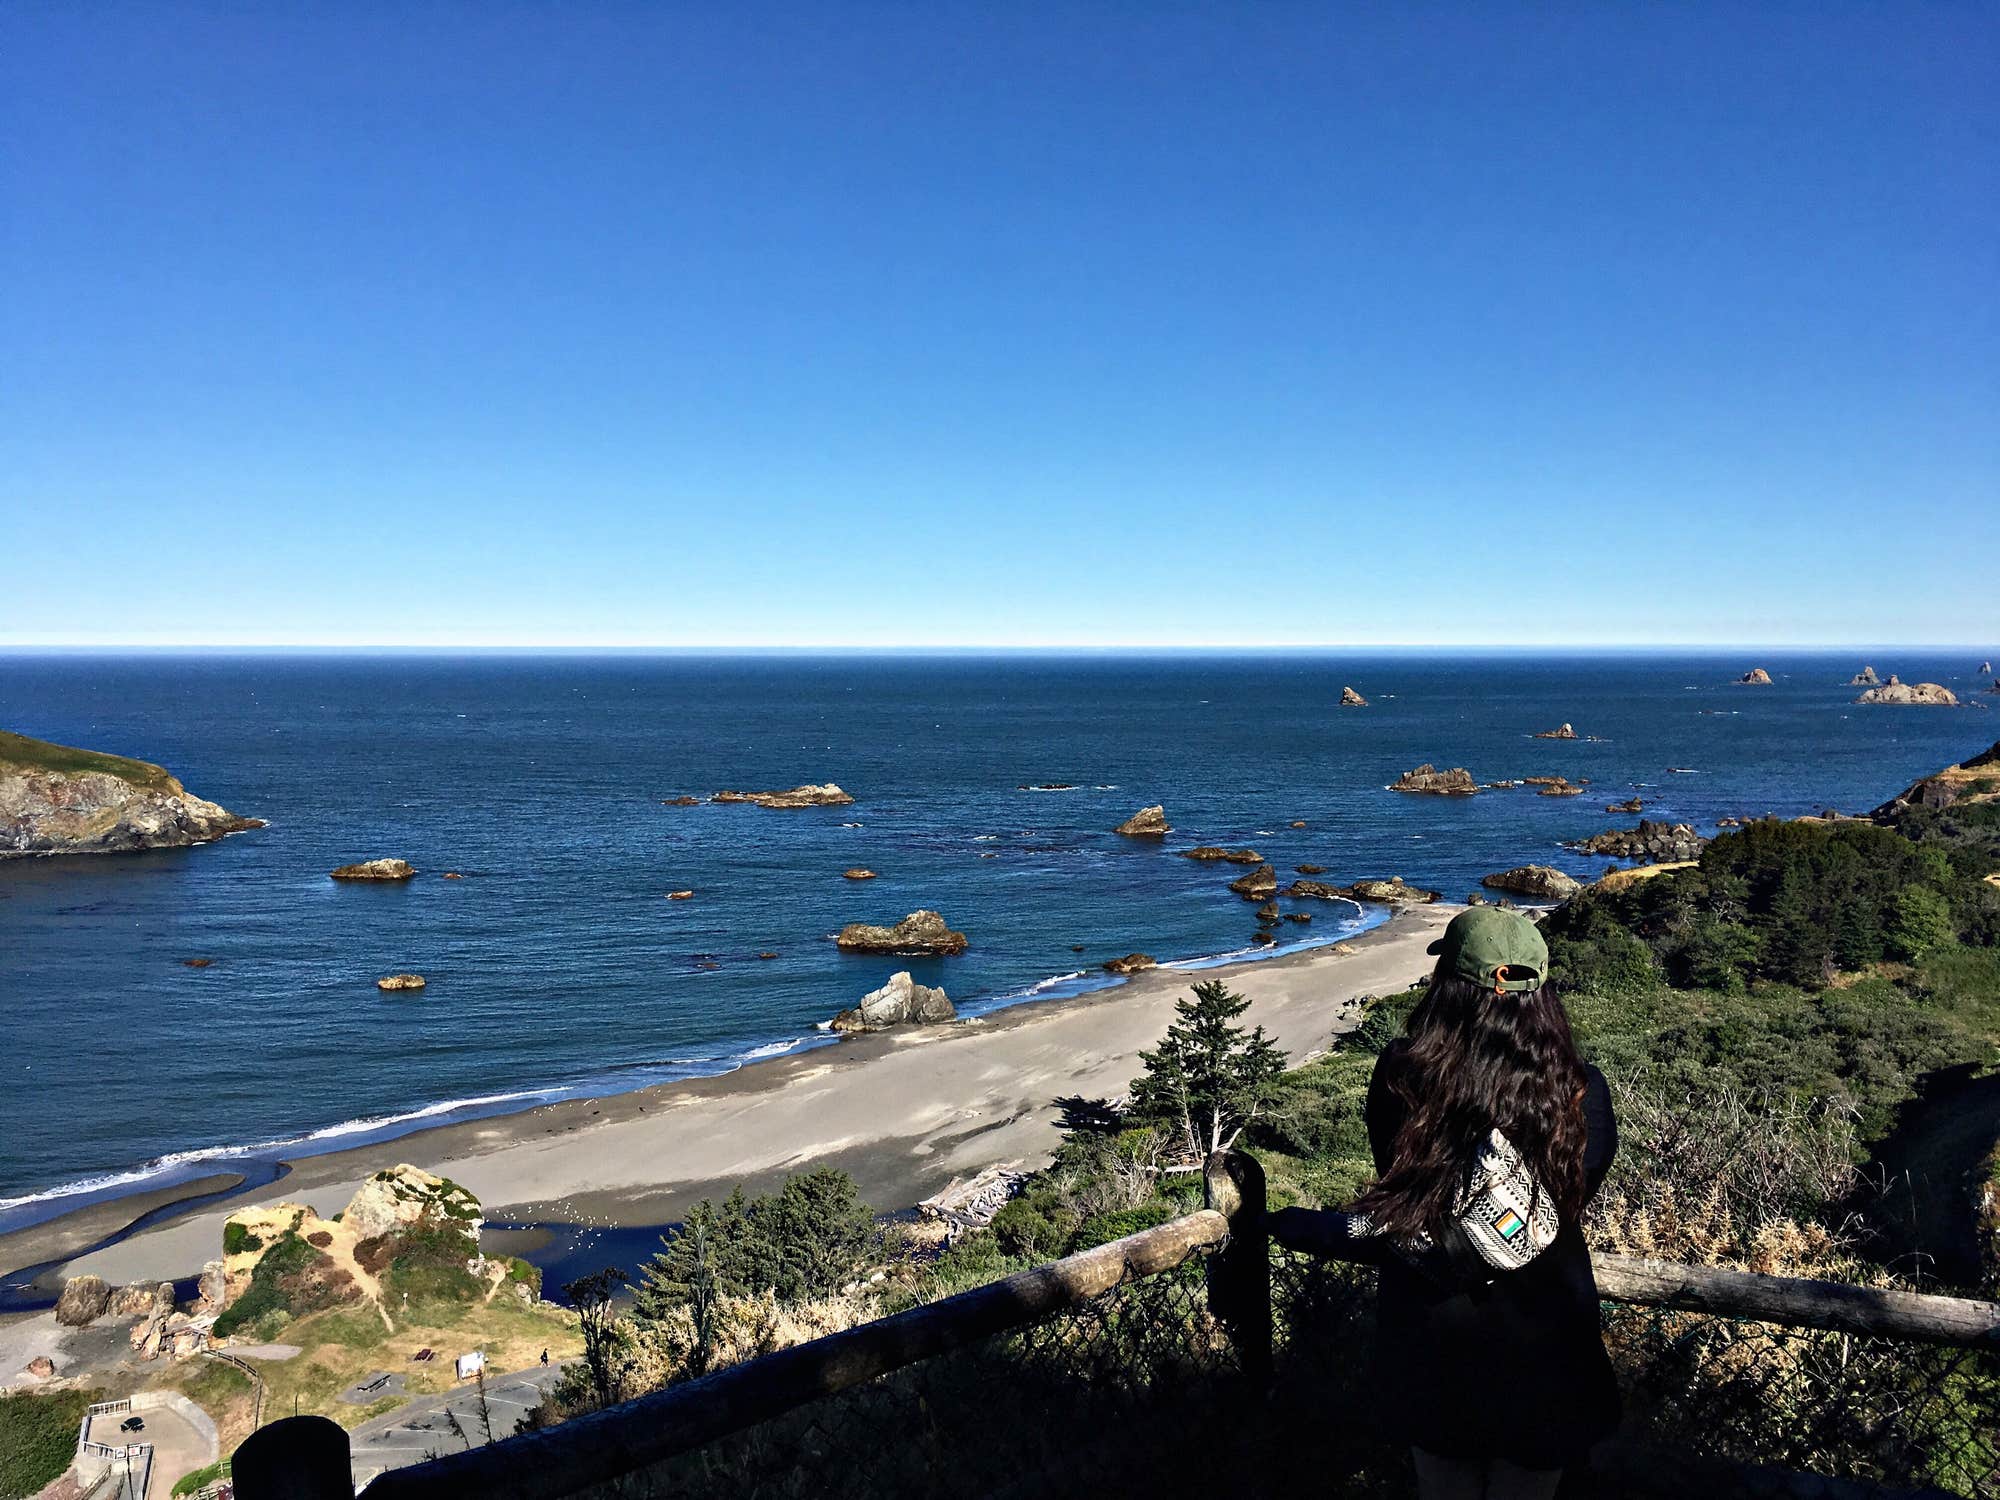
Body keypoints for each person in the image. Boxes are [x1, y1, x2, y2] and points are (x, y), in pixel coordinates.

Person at [1272, 906, 1619, 1500]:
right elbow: (1573, 1198)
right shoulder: (1582, 1091)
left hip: (1432, 1334)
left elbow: (1397, 1185)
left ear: (1447, 986)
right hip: (1548, 1336)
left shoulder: (1399, 1080)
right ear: (1542, 991)